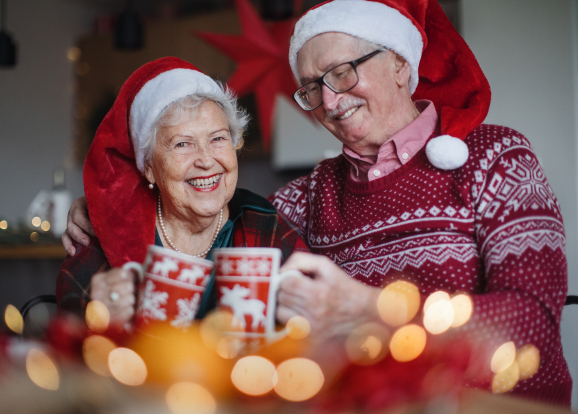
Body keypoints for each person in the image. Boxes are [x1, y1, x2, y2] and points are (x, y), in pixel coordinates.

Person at [63, 0, 571, 405]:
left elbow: (532, 327)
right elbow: (213, 211)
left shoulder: (496, 158)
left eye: (343, 72)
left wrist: (374, 310)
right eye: (311, 87)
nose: (328, 101)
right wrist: (111, 206)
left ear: (400, 63)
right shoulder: (310, 195)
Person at [56, 57, 307, 323]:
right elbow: (67, 321)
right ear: (149, 167)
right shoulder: (111, 231)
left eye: (218, 138)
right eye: (182, 144)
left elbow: (317, 319)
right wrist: (95, 315)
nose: (206, 160)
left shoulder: (265, 225)